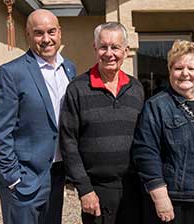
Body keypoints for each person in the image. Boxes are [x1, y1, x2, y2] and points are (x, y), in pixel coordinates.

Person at [0, 9, 76, 224]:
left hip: (56, 175)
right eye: (38, 33)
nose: (46, 39)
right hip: (24, 179)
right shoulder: (10, 73)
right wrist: (13, 177)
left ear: (60, 33)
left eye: (51, 32)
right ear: (28, 35)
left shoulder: (69, 69)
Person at [59, 22, 144, 224]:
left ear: (126, 50)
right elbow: (68, 142)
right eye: (103, 47)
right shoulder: (78, 88)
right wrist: (85, 189)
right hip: (96, 190)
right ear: (95, 48)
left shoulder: (136, 88)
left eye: (115, 47)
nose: (109, 53)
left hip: (133, 188)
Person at [132, 40, 194, 224]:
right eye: (178, 68)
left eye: (191, 68)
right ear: (170, 71)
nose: (185, 73)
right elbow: (146, 152)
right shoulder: (157, 105)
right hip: (179, 200)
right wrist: (160, 197)